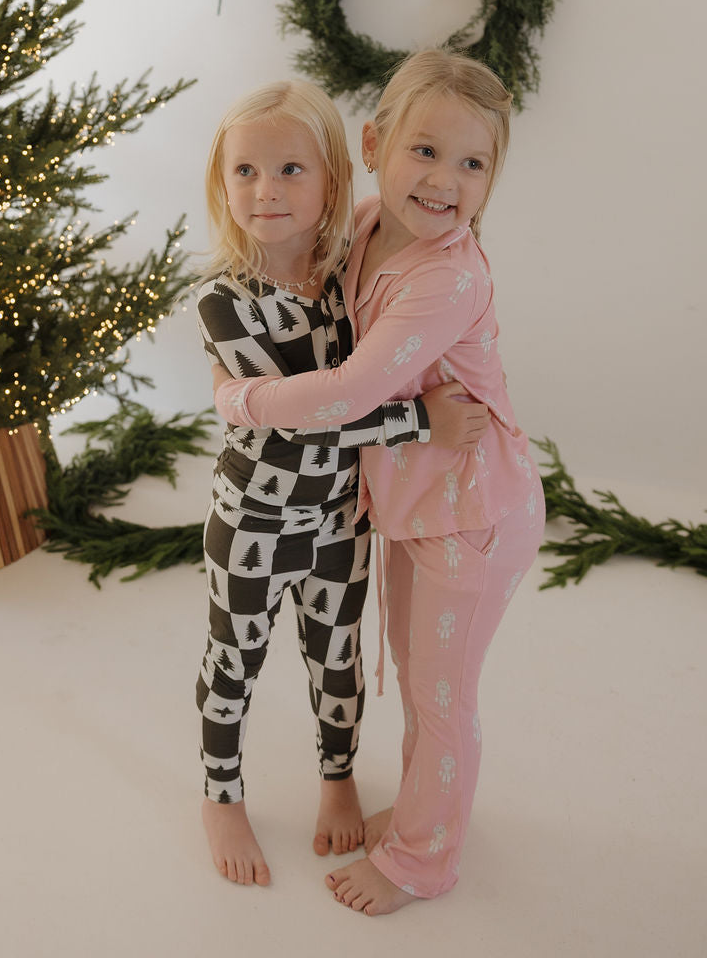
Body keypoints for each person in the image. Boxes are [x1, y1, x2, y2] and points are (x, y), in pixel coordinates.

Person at [212, 51, 545, 915]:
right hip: (416, 508)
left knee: (440, 697)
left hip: (473, 514)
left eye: (473, 164)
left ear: (491, 181)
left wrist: (239, 398)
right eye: (425, 152)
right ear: (372, 146)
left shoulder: (447, 276)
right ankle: (432, 804)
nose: (444, 180)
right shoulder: (365, 226)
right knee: (412, 671)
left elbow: (352, 390)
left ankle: (421, 861)